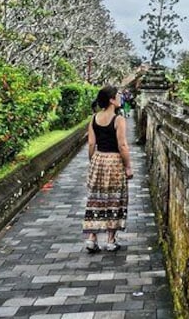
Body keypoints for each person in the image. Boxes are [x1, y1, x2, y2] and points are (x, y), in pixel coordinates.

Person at [82, 85, 133, 252]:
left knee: (96, 198)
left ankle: (92, 238)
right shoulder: (118, 120)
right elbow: (122, 145)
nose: (119, 98)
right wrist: (128, 166)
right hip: (114, 162)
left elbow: (91, 144)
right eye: (117, 95)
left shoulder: (94, 118)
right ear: (111, 100)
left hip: (98, 158)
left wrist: (93, 161)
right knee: (114, 198)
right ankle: (111, 240)